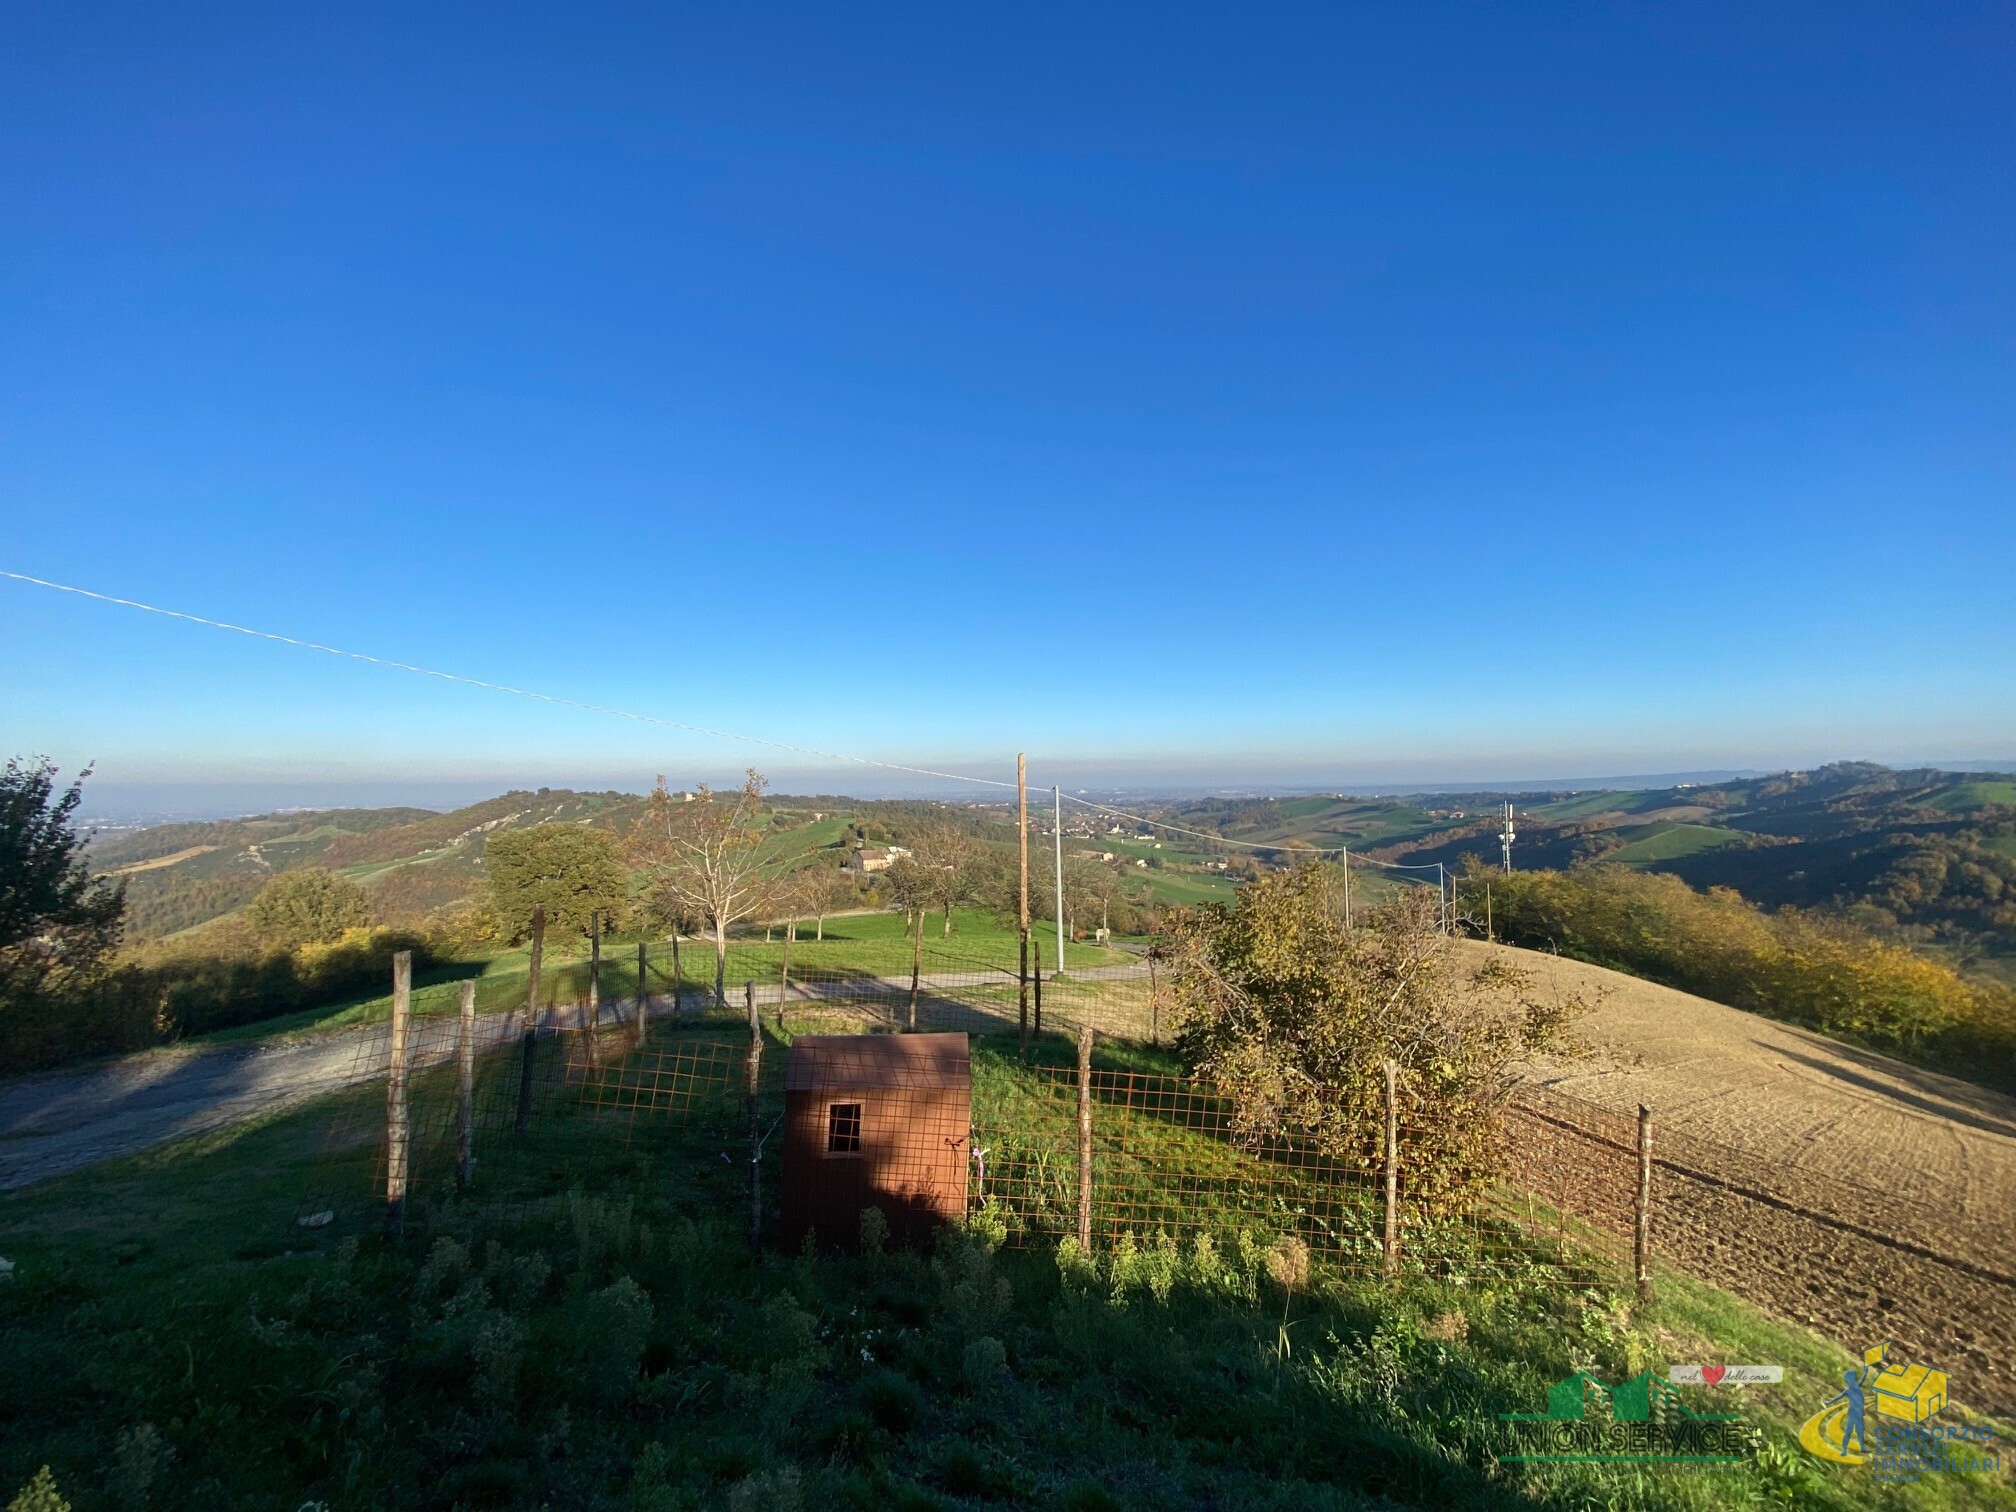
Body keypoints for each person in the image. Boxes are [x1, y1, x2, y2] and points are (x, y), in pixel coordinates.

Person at [1841, 1368, 1869, 1454]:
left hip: (1859, 1413)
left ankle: (1862, 1447)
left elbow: (1862, 1380)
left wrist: (1866, 1372)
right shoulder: (1848, 1391)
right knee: (1848, 1432)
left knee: (1860, 1431)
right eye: (1854, 1377)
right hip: (1853, 1413)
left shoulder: (1856, 1387)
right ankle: (1844, 1450)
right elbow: (1838, 1397)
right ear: (1849, 1379)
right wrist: (1829, 1402)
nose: (1856, 1378)